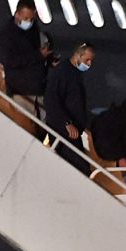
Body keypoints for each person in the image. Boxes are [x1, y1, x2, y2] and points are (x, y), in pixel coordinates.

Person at [0, 0, 52, 118]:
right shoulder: (7, 34)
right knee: (26, 125)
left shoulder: (34, 30)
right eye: (26, 18)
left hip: (38, 89)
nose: (29, 22)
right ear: (17, 14)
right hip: (21, 90)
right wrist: (38, 56)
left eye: (32, 19)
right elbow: (9, 61)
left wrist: (49, 59)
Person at [44, 42, 95, 172]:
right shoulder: (62, 72)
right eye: (87, 59)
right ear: (77, 55)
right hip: (64, 130)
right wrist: (66, 122)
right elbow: (51, 100)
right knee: (80, 169)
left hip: (72, 131)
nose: (89, 64)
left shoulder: (74, 73)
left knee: (79, 167)